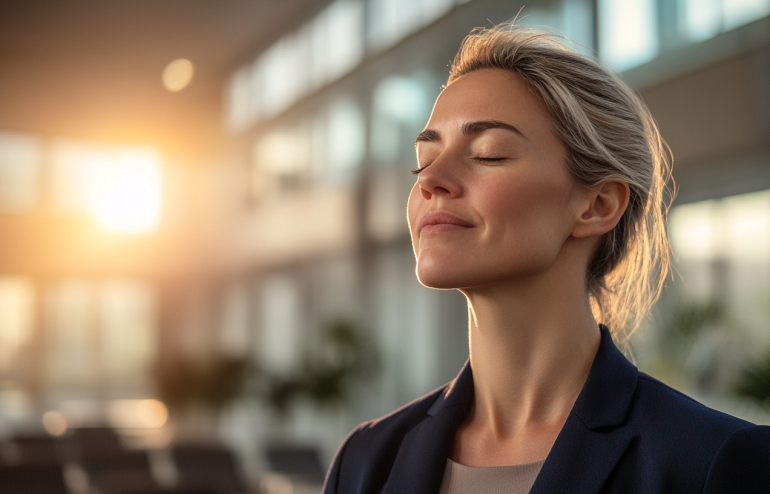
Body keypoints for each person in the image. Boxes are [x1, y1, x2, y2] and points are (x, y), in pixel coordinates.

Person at [323, 24, 770, 494]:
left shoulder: (716, 463)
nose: (431, 179)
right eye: (423, 157)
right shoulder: (365, 461)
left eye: (488, 154)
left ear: (597, 205)